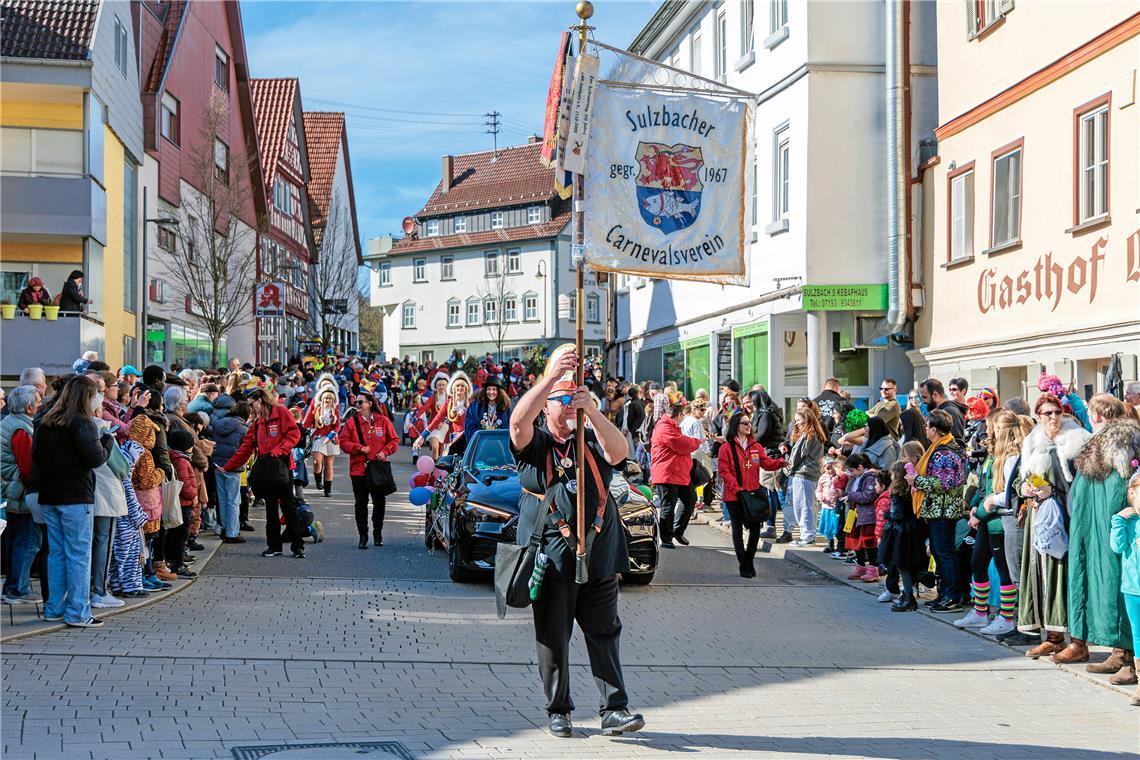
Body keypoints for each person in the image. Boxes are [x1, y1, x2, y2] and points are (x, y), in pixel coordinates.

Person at [508, 347, 644, 739]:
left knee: (605, 632)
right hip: (552, 558)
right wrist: (551, 379)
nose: (569, 405)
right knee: (554, 638)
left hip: (599, 554)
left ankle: (615, 709)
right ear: (546, 405)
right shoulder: (538, 446)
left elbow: (619, 453)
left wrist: (593, 410)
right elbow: (518, 423)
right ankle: (559, 710)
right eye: (562, 400)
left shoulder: (591, 436)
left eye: (574, 398)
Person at [1066, 395, 1139, 682]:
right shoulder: (1098, 444)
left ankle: (1131, 659)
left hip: (1120, 529)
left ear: (1097, 415)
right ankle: (1119, 652)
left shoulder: (1123, 441)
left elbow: (1129, 489)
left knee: (1120, 589)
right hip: (1094, 528)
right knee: (1107, 588)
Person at [31, 374, 114, 627]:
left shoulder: (45, 421)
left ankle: (54, 607)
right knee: (79, 554)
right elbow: (94, 459)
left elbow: (36, 456)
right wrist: (107, 442)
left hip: (50, 494)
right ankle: (78, 611)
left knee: (56, 553)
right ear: (87, 397)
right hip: (76, 495)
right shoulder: (82, 423)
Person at [1017, 393, 1091, 659]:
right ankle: (1053, 637)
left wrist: (1054, 491)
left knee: (1065, 576)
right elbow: (1019, 478)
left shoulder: (1077, 441)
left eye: (1057, 412)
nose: (1053, 418)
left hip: (1067, 520)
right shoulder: (1031, 443)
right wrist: (1024, 489)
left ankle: (1077, 642)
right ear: (1038, 416)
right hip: (1039, 519)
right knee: (1042, 577)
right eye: (1047, 413)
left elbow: (1083, 486)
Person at [954, 411, 1027, 636]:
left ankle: (1006, 616)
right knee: (977, 562)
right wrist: (975, 504)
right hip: (986, 517)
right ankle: (980, 611)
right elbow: (985, 484)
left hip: (997, 519)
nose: (987, 430)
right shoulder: (992, 453)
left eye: (990, 426)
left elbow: (1001, 494)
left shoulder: (1010, 455)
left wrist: (981, 511)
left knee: (1004, 568)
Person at [223, 387, 307, 559]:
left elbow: (294, 434)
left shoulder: (281, 412)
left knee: (288, 506)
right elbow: (245, 448)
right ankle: (274, 546)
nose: (250, 408)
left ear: (260, 401)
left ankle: (298, 546)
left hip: (283, 468)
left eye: (251, 404)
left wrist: (278, 451)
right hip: (267, 470)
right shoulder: (257, 423)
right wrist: (229, 467)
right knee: (270, 509)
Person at [909, 409, 968, 612]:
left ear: (934, 429)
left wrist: (916, 480)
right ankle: (944, 593)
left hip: (943, 510)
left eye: (927, 426)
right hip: (938, 509)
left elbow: (944, 483)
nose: (925, 429)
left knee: (944, 553)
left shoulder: (944, 452)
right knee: (939, 551)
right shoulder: (941, 448)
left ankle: (952, 596)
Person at [719, 411, 786, 577]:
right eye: (745, 423)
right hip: (734, 496)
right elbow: (724, 472)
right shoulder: (726, 448)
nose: (749, 426)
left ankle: (749, 560)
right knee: (737, 529)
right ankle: (743, 564)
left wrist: (780, 462)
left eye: (749, 423)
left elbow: (766, 463)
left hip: (752, 494)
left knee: (755, 528)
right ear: (736, 426)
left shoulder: (756, 446)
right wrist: (736, 488)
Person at [1, 386, 43, 604]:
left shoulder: (8, 422)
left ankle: (13, 586)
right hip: (20, 493)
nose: (40, 403)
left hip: (11, 491)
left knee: (17, 540)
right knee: (29, 541)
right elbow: (27, 468)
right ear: (28, 407)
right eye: (37, 401)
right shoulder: (22, 429)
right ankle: (18, 589)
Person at [339, 394, 398, 549]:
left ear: (370, 404)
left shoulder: (383, 421)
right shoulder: (351, 423)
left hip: (378, 468)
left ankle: (377, 533)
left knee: (379, 502)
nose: (357, 404)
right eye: (355, 402)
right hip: (358, 469)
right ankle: (363, 535)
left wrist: (385, 451)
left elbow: (394, 440)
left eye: (360, 402)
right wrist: (358, 448)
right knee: (361, 503)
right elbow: (343, 442)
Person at [651, 399, 701, 548]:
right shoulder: (664, 428)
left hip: (678, 473)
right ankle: (666, 539)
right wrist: (697, 441)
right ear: (679, 415)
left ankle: (677, 531)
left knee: (690, 500)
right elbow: (682, 445)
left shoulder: (669, 426)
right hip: (667, 473)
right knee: (668, 506)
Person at [878, 461, 928, 612]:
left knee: (901, 565)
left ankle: (908, 597)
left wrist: (887, 514)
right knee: (907, 565)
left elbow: (898, 514)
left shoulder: (897, 492)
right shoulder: (912, 490)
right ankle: (907, 595)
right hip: (911, 531)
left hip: (899, 533)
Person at [1109, 473, 1140, 705]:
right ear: (1132, 496)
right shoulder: (1128, 521)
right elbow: (1118, 547)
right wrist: (1117, 521)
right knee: (1138, 636)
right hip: (1132, 588)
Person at [781, 409, 825, 546]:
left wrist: (786, 468)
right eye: (796, 421)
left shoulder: (808, 435)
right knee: (807, 505)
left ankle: (807, 536)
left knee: (804, 506)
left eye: (800, 420)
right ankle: (806, 535)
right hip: (809, 473)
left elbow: (797, 456)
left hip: (804, 474)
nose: (797, 424)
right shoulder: (815, 434)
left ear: (808, 420)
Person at [207, 399, 249, 543]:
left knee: (222, 498)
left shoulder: (218, 424)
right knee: (233, 501)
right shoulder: (244, 429)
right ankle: (232, 532)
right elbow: (245, 451)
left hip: (217, 464)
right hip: (233, 467)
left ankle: (224, 528)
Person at [841, 453, 880, 582]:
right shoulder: (859, 477)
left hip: (868, 516)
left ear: (860, 466)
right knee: (856, 541)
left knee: (869, 542)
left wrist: (851, 496)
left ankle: (873, 568)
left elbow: (869, 496)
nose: (851, 474)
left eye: (852, 470)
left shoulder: (870, 477)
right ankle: (861, 565)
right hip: (857, 515)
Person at [303, 376, 342, 497]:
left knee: (329, 464)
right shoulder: (316, 403)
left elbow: (337, 424)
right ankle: (318, 478)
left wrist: (331, 436)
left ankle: (327, 488)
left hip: (330, 437)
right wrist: (301, 428)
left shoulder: (335, 406)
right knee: (317, 461)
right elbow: (308, 418)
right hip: (318, 436)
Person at [464, 376, 512, 441]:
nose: (491, 392)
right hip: (480, 443)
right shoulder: (475, 405)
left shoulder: (505, 407)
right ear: (485, 390)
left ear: (499, 391)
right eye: (488, 389)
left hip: (499, 443)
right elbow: (469, 424)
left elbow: (509, 426)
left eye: (494, 389)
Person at [919, 379, 966, 445]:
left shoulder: (950, 411)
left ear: (935, 395)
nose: (923, 401)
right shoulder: (942, 410)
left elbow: (957, 441)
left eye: (925, 397)